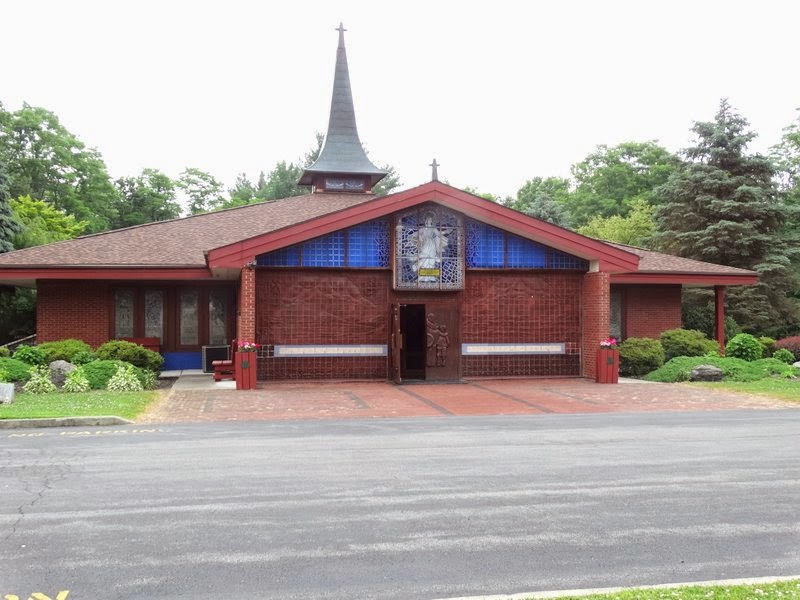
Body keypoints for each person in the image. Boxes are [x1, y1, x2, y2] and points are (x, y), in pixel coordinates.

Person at [416, 212, 447, 282]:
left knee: (431, 259)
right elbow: (416, 235)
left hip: (432, 245)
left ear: (432, 221)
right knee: (424, 258)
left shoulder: (433, 229)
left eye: (430, 220)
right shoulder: (422, 229)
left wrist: (446, 231)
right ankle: (422, 276)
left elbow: (439, 234)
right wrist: (420, 238)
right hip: (425, 245)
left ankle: (431, 276)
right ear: (425, 220)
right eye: (427, 219)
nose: (429, 221)